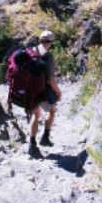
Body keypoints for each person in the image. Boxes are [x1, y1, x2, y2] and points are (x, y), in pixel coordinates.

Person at [28, 30, 62, 159]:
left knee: (35, 114)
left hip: (29, 91)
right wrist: (58, 92)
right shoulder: (48, 56)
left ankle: (32, 144)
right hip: (43, 91)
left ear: (39, 40)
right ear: (51, 42)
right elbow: (50, 80)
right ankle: (45, 137)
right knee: (52, 111)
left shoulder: (30, 52)